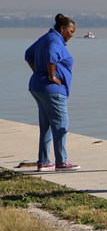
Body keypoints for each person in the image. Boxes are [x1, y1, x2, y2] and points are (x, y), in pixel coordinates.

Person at [24, 13, 80, 172]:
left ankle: (43, 162)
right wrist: (51, 76)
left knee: (47, 125)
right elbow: (51, 57)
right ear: (62, 29)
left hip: (38, 86)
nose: (72, 34)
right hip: (52, 90)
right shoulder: (55, 40)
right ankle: (61, 161)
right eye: (71, 31)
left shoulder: (45, 38)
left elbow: (28, 55)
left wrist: (38, 73)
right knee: (61, 123)